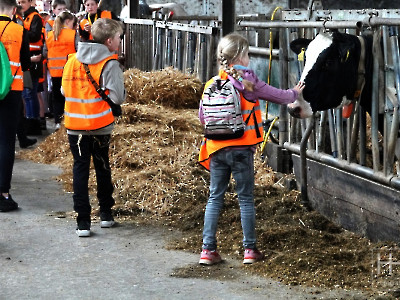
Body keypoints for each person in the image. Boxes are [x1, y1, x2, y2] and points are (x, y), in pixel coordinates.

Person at [198, 32, 305, 265]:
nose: (248, 58)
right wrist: (296, 92)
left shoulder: (211, 84)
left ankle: (207, 251)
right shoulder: (249, 81)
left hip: (215, 148)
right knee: (245, 198)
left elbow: (202, 118)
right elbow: (279, 96)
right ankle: (250, 250)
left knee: (214, 197)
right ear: (240, 56)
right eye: (247, 54)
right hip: (241, 149)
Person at [61, 18, 125, 237]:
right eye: (119, 37)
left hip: (75, 127)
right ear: (109, 41)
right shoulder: (109, 63)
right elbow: (117, 97)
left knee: (80, 170)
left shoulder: (72, 60)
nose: (120, 41)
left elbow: (63, 91)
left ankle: (82, 223)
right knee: (102, 166)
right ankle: (106, 214)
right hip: (100, 125)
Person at [0, 0, 32, 211]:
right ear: (13, 10)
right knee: (5, 141)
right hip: (10, 91)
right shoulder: (19, 31)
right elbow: (26, 64)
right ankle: (3, 194)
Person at [44, 10, 78, 130]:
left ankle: (58, 122)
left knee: (57, 97)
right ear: (68, 21)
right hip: (70, 71)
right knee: (70, 97)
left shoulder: (50, 35)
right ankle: (69, 121)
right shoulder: (72, 34)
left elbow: (45, 52)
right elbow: (78, 51)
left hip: (54, 72)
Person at [18, 0, 44, 135]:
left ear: (30, 2)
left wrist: (19, 32)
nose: (20, 4)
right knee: (26, 93)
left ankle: (34, 123)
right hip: (26, 57)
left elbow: (34, 36)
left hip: (34, 58)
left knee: (30, 93)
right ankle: (31, 122)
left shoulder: (35, 17)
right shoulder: (20, 17)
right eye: (18, 2)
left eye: (23, 2)